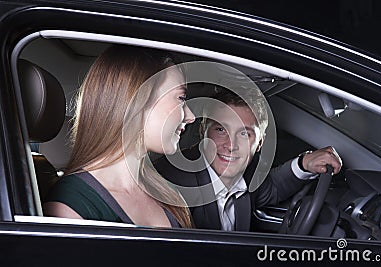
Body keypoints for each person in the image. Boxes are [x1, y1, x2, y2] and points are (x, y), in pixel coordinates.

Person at [43, 44, 195, 228]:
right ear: (138, 98)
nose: (190, 117)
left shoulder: (166, 194)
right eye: (181, 98)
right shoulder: (70, 206)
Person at [155, 89, 342, 231]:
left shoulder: (248, 175)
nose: (231, 145)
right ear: (203, 131)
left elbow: (273, 187)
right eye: (221, 130)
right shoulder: (170, 181)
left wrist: (305, 163)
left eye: (244, 133)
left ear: (259, 143)